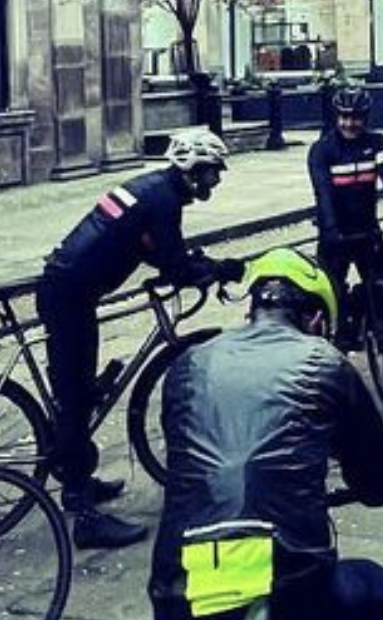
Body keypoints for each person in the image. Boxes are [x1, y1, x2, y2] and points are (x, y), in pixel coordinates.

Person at [149, 247, 383, 620]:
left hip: (180, 600)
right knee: (379, 593)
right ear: (317, 321)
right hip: (289, 599)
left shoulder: (188, 364)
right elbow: (377, 485)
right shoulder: (326, 362)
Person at [38, 127, 246, 549]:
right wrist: (218, 269)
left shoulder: (155, 190)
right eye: (211, 173)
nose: (215, 182)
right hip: (69, 296)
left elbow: (151, 247)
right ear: (191, 168)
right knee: (76, 398)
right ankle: (83, 513)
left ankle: (77, 473)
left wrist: (196, 262)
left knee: (77, 391)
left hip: (70, 289)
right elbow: (172, 264)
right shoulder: (164, 199)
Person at [307, 85, 383, 364]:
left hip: (368, 230)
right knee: (330, 299)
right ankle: (334, 349)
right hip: (336, 233)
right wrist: (331, 230)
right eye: (344, 117)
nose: (349, 123)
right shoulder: (322, 150)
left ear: (365, 117)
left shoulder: (377, 143)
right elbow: (323, 193)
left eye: (356, 117)